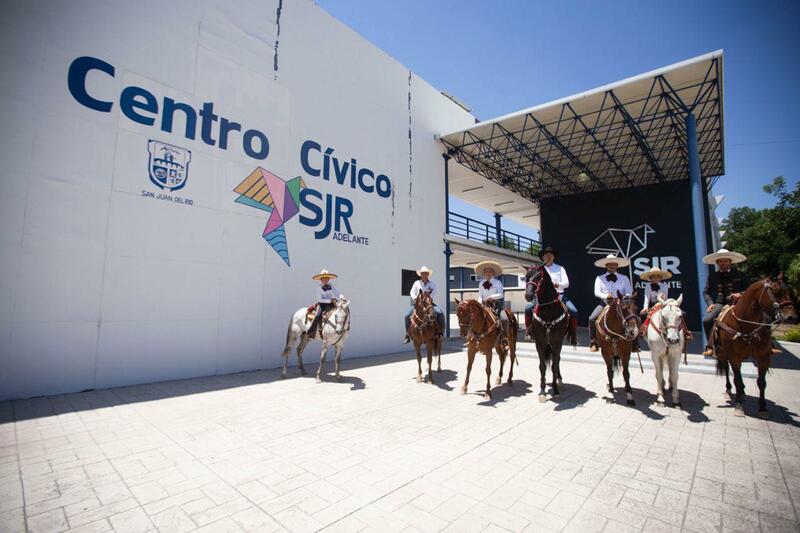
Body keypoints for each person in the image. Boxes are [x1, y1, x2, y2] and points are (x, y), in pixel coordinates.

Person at [702, 248, 749, 356]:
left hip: (739, 303)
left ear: (730, 262)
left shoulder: (741, 275)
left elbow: (748, 290)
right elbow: (706, 292)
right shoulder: (713, 275)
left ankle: (766, 346)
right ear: (717, 263)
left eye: (725, 261)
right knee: (707, 320)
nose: (723, 263)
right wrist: (710, 304)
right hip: (720, 304)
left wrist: (740, 294)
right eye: (721, 261)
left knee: (760, 317)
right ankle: (711, 346)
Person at [524, 246, 578, 340]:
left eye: (551, 254)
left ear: (553, 257)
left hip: (559, 295)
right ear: (543, 257)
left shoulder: (560, 268)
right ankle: (528, 330)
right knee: (528, 307)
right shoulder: (539, 270)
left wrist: (557, 284)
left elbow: (567, 284)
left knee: (574, 311)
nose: (548, 256)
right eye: (546, 254)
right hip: (541, 297)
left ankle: (573, 334)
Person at [588, 254, 633, 352]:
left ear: (617, 265)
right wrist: (606, 296)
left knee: (632, 318)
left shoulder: (624, 278)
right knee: (592, 318)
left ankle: (634, 342)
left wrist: (626, 296)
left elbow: (629, 291)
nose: (612, 266)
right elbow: (597, 292)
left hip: (620, 303)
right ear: (606, 266)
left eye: (614, 264)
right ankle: (593, 342)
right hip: (606, 303)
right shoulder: (600, 278)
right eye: (610, 264)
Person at [403, 266, 446, 343]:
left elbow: (434, 291)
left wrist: (428, 298)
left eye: (426, 273)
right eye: (423, 273)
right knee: (407, 315)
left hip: (429, 303)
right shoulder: (417, 283)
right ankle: (407, 334)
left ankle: (440, 333)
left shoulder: (432, 284)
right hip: (418, 304)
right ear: (421, 275)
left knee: (439, 313)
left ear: (428, 274)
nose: (424, 275)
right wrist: (416, 298)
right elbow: (412, 292)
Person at [476, 260, 509, 346]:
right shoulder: (481, 283)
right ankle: (476, 337)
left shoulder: (497, 282)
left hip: (496, 304)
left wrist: (492, 297)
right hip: (485, 305)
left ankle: (505, 338)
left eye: (490, 271)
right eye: (486, 271)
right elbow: (480, 295)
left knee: (504, 319)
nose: (488, 273)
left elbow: (501, 294)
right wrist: (479, 303)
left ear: (493, 273)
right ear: (484, 273)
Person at [308, 269, 341, 339]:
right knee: (317, 315)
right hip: (322, 304)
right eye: (324, 278)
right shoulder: (319, 287)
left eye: (327, 278)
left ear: (328, 279)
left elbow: (337, 292)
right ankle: (311, 332)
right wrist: (330, 300)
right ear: (321, 279)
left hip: (332, 303)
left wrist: (342, 297)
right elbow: (320, 299)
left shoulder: (331, 285)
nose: (325, 280)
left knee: (340, 311)